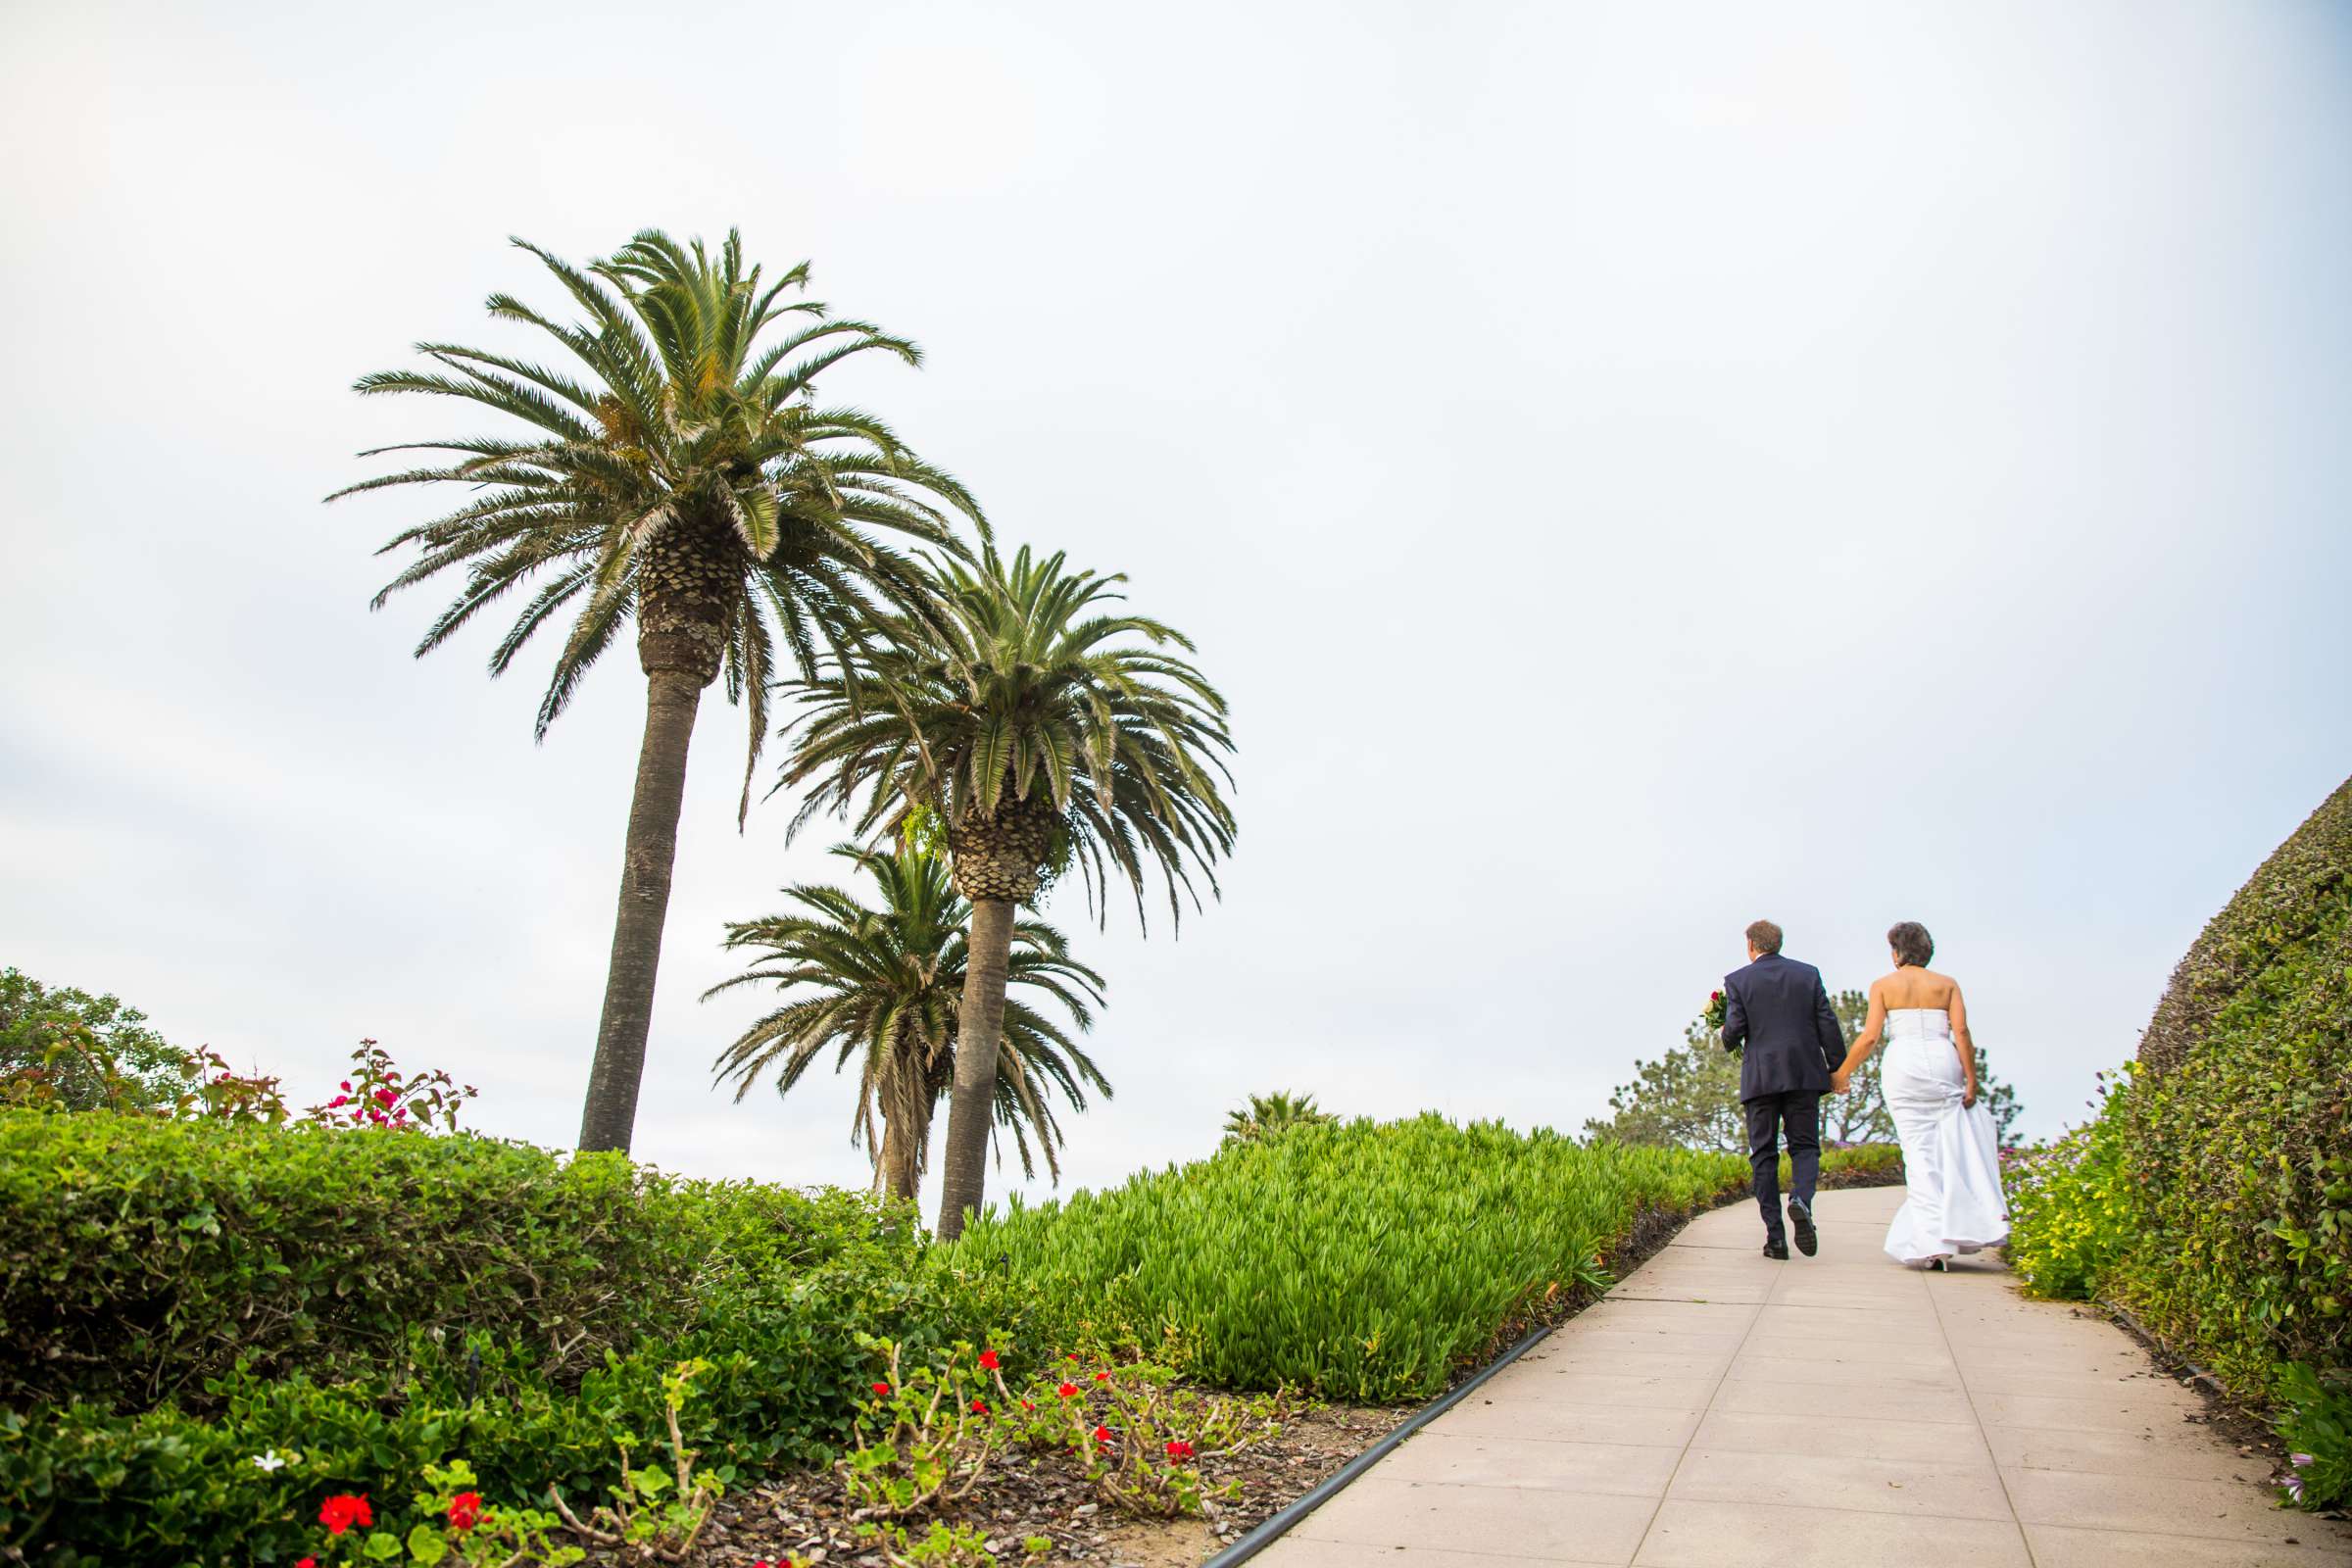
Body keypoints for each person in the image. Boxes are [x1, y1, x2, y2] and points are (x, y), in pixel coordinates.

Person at [1832, 921, 2009, 1268]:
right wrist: (1971, 1080)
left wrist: (1842, 1074)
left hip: (1904, 1066)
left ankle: (1932, 1243)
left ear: (1896, 952)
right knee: (1948, 1152)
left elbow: (1870, 1037)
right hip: (1944, 1063)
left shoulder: (1883, 985)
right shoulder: (1947, 985)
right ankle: (1954, 1228)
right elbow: (1960, 1031)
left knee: (1919, 1155)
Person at [1720, 919, 1844, 1259]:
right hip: (1804, 1074)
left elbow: (1735, 1030)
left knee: (1764, 1154)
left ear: (1751, 946)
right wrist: (1836, 1067)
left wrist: (1724, 1033)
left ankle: (1775, 1239)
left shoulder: (1738, 980)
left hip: (1761, 1078)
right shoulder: (1808, 974)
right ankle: (1801, 1199)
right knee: (1805, 1146)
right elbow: (1827, 1022)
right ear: (1778, 943)